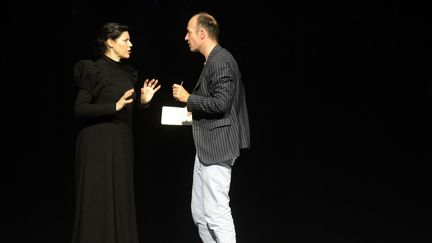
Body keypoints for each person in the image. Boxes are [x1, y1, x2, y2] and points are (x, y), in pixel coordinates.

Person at [71, 22, 161, 243]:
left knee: (120, 198)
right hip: (97, 147)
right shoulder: (95, 69)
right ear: (110, 43)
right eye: (125, 40)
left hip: (120, 143)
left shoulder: (127, 73)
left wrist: (142, 102)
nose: (131, 44)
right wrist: (113, 107)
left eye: (130, 40)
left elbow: (127, 107)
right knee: (98, 200)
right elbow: (80, 108)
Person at [172, 12, 250, 243]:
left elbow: (221, 103)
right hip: (206, 147)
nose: (186, 37)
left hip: (218, 146)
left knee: (216, 214)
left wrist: (189, 99)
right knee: (200, 214)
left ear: (202, 33)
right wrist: (192, 109)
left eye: (189, 31)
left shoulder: (222, 60)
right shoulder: (212, 61)